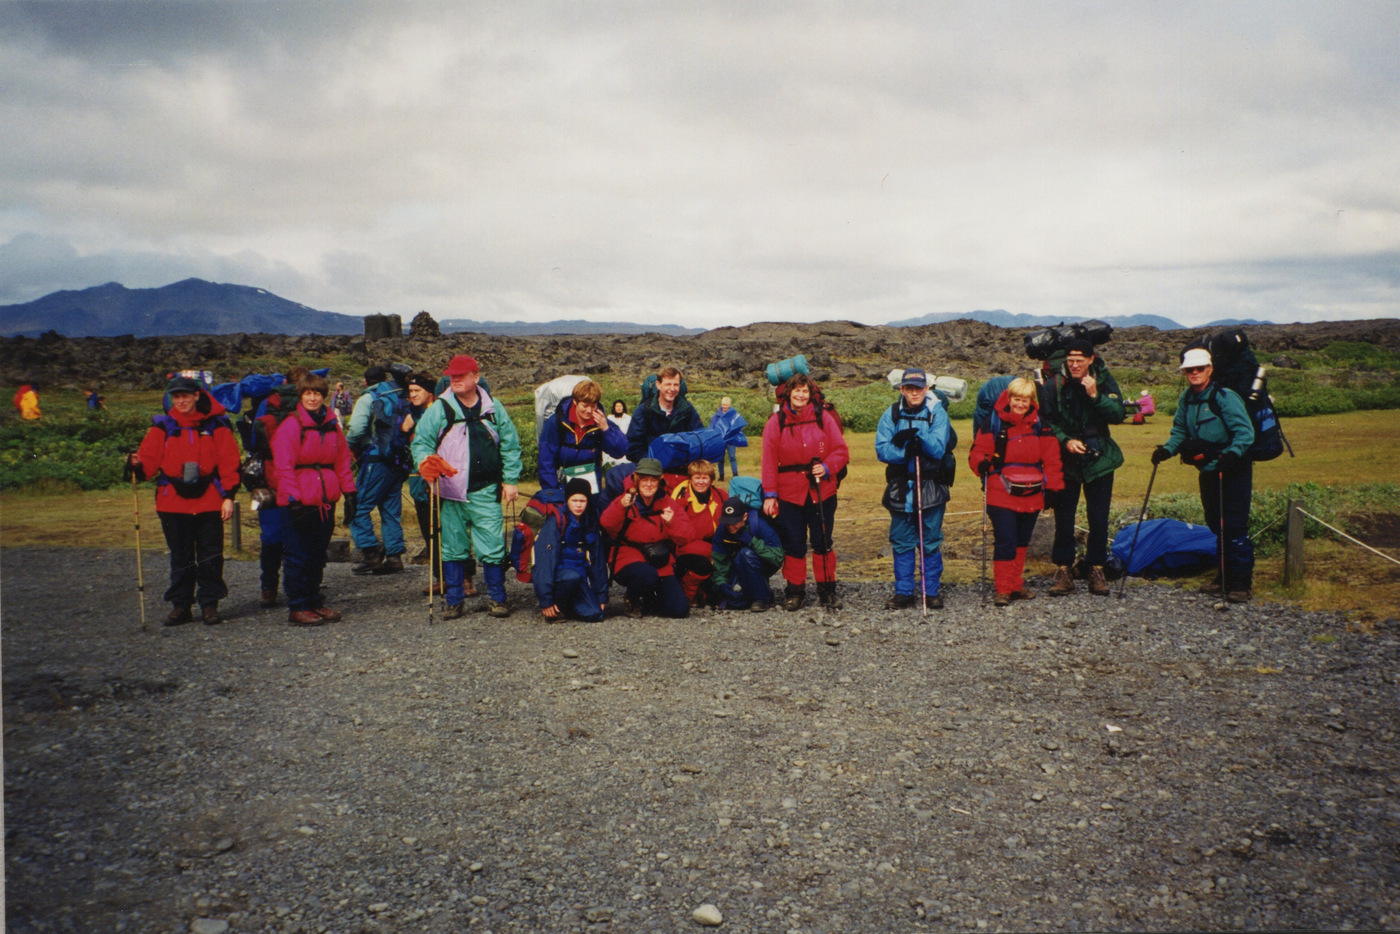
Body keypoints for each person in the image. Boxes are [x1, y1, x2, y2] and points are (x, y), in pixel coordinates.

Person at [411, 354, 523, 620]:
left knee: (493, 546)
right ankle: (454, 601)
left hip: (486, 489)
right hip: (450, 491)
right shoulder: (439, 409)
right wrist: (426, 464)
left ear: (476, 376)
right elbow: (421, 443)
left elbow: (510, 445)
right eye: (452, 375)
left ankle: (497, 598)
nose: (455, 379)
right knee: (452, 546)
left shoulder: (493, 407)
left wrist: (510, 481)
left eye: (461, 375)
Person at [126, 375, 241, 626]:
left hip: (210, 501)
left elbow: (229, 461)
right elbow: (148, 462)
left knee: (210, 556)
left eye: (185, 396)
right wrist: (136, 464)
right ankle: (181, 605)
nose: (181, 401)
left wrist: (228, 497)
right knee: (180, 556)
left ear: (197, 396)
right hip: (172, 503)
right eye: (176, 397)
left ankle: (209, 604)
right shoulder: (162, 426)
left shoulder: (216, 425)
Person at [1152, 347, 1256, 602]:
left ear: (1210, 369)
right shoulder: (1187, 398)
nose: (1195, 373)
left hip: (1233, 470)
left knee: (1234, 525)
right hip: (1209, 470)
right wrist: (1167, 450)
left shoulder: (1225, 396)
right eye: (1190, 369)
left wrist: (1231, 454)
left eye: (1200, 368)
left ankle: (1240, 584)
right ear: (1184, 372)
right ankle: (1223, 578)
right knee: (1216, 524)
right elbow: (1179, 429)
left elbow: (1245, 432)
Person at [1038, 338, 1126, 597]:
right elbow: (1046, 422)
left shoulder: (1103, 380)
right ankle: (1063, 570)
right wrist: (1065, 441)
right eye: (1070, 360)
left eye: (1080, 360)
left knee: (1099, 517)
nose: (1075, 364)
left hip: (1100, 460)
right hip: (1066, 461)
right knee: (1064, 517)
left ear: (1091, 359)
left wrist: (1096, 396)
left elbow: (1118, 414)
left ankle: (1096, 569)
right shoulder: (1053, 385)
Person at [969, 378, 1065, 606]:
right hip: (1000, 490)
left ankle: (1014, 585)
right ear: (1009, 398)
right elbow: (978, 451)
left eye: (1025, 400)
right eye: (1017, 399)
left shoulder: (1041, 424)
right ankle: (1002, 589)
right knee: (1006, 540)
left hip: (1032, 491)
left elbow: (1052, 458)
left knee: (1022, 541)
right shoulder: (993, 422)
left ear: (1032, 401)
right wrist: (981, 464)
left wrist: (1053, 487)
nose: (1020, 404)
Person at [271, 374, 357, 625]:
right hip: (300, 500)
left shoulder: (331, 424)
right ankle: (298, 605)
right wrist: (293, 500)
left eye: (317, 393)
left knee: (318, 554)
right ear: (301, 395)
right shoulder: (291, 425)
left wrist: (350, 492)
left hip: (325, 499)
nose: (312, 398)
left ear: (324, 396)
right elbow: (283, 466)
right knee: (298, 554)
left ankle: (314, 601)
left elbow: (342, 459)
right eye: (308, 393)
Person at [760, 373, 850, 610]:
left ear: (810, 394)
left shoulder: (823, 417)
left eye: (805, 391)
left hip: (822, 491)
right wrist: (770, 495)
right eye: (797, 390)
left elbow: (841, 451)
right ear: (788, 392)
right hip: (789, 493)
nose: (800, 395)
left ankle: (827, 591)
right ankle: (794, 591)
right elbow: (768, 460)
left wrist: (827, 467)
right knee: (794, 543)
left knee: (823, 541)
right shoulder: (775, 422)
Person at [875, 367, 952, 610]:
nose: (914, 392)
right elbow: (881, 449)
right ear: (902, 389)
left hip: (930, 486)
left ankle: (931, 592)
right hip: (900, 486)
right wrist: (905, 451)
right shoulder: (891, 413)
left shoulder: (937, 413)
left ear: (926, 388)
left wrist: (919, 438)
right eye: (909, 388)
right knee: (902, 540)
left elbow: (938, 448)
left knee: (930, 540)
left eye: (918, 388)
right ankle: (904, 592)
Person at [600, 457, 691, 618]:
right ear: (637, 480)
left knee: (679, 610)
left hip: (658, 558)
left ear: (660, 481)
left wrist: (672, 523)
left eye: (653, 480)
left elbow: (688, 535)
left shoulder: (668, 502)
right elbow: (606, 524)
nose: (648, 484)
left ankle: (649, 599)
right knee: (646, 575)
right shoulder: (625, 500)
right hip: (627, 556)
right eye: (644, 480)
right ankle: (632, 598)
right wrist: (620, 507)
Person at [250, 367, 310, 608]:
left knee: (272, 534)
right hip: (302, 475)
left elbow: (254, 439)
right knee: (303, 534)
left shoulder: (268, 404)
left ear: (284, 382)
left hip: (272, 473)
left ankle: (268, 588)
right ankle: (300, 588)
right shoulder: (309, 405)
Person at [345, 365, 410, 575]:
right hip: (398, 460)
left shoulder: (368, 398)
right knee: (390, 510)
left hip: (375, 459)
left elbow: (356, 429)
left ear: (365, 382)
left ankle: (370, 553)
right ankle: (394, 557)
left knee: (358, 506)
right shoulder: (401, 395)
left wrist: (350, 446)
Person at [533, 478, 609, 623]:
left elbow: (598, 561)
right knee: (570, 577)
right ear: (567, 500)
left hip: (579, 576)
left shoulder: (590, 521)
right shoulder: (556, 522)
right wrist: (545, 599)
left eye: (583, 501)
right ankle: (553, 608)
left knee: (595, 613)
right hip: (560, 576)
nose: (578, 505)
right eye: (574, 500)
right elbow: (545, 562)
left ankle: (566, 607)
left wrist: (601, 596)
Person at [538, 378, 628, 492]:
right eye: (585, 405)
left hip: (592, 487)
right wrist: (553, 493)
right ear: (575, 402)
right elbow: (546, 460)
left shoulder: (601, 422)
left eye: (593, 406)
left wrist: (606, 429)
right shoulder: (556, 422)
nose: (589, 410)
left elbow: (620, 451)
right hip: (563, 485)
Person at [710, 496, 784, 612]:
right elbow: (719, 561)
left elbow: (777, 558)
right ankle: (755, 592)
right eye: (727, 522)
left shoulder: (759, 525)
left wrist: (752, 542)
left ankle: (762, 598)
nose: (730, 526)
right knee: (733, 600)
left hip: (762, 563)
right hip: (737, 567)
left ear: (744, 516)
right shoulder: (722, 531)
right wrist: (721, 583)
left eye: (734, 522)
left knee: (745, 554)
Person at [670, 459, 727, 606]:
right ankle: (687, 594)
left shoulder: (720, 495)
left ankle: (705, 592)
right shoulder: (682, 497)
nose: (701, 482)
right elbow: (676, 530)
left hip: (713, 542)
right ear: (690, 478)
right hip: (686, 545)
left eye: (705, 477)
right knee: (708, 559)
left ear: (711, 479)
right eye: (697, 477)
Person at [626, 367, 702, 466]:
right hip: (651, 469)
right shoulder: (643, 412)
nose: (672, 389)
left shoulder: (687, 410)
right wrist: (654, 462)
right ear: (658, 385)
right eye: (668, 384)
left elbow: (699, 438)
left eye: (676, 385)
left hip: (681, 468)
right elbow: (633, 448)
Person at [709, 396, 746, 480]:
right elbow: (711, 427)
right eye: (723, 404)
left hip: (731, 439)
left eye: (726, 405)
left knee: (732, 457)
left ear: (730, 405)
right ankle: (721, 475)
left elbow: (738, 425)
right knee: (721, 458)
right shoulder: (716, 416)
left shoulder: (734, 415)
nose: (724, 406)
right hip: (720, 440)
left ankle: (735, 475)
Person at [604, 400, 632, 467]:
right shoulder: (610, 418)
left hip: (624, 441)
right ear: (614, 408)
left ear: (623, 407)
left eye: (620, 406)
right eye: (617, 406)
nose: (619, 408)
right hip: (612, 440)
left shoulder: (628, 418)